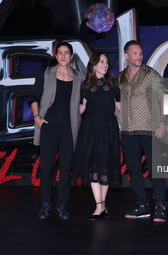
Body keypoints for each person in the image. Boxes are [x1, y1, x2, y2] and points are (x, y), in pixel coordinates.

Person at [30, 41, 85, 220]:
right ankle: (45, 205)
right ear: (56, 55)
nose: (63, 56)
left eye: (66, 52)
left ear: (71, 56)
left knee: (65, 168)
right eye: (60, 52)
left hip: (69, 128)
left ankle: (62, 206)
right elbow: (34, 96)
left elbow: (83, 100)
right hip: (48, 125)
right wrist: (37, 117)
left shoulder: (79, 77)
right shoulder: (46, 73)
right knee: (46, 168)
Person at [117, 40, 167, 222]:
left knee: (156, 169)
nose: (139, 56)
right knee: (134, 170)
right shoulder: (121, 77)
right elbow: (118, 102)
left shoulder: (151, 75)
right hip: (128, 130)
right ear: (126, 56)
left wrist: (162, 123)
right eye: (135, 53)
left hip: (150, 128)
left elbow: (163, 100)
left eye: (140, 53)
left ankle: (160, 205)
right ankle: (142, 205)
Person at [73, 51, 121, 220]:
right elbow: (81, 108)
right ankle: (99, 205)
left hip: (108, 127)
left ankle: (102, 205)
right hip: (91, 127)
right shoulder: (85, 85)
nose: (105, 64)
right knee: (94, 166)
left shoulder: (114, 84)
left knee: (106, 165)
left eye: (106, 62)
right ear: (93, 65)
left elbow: (120, 107)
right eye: (101, 62)